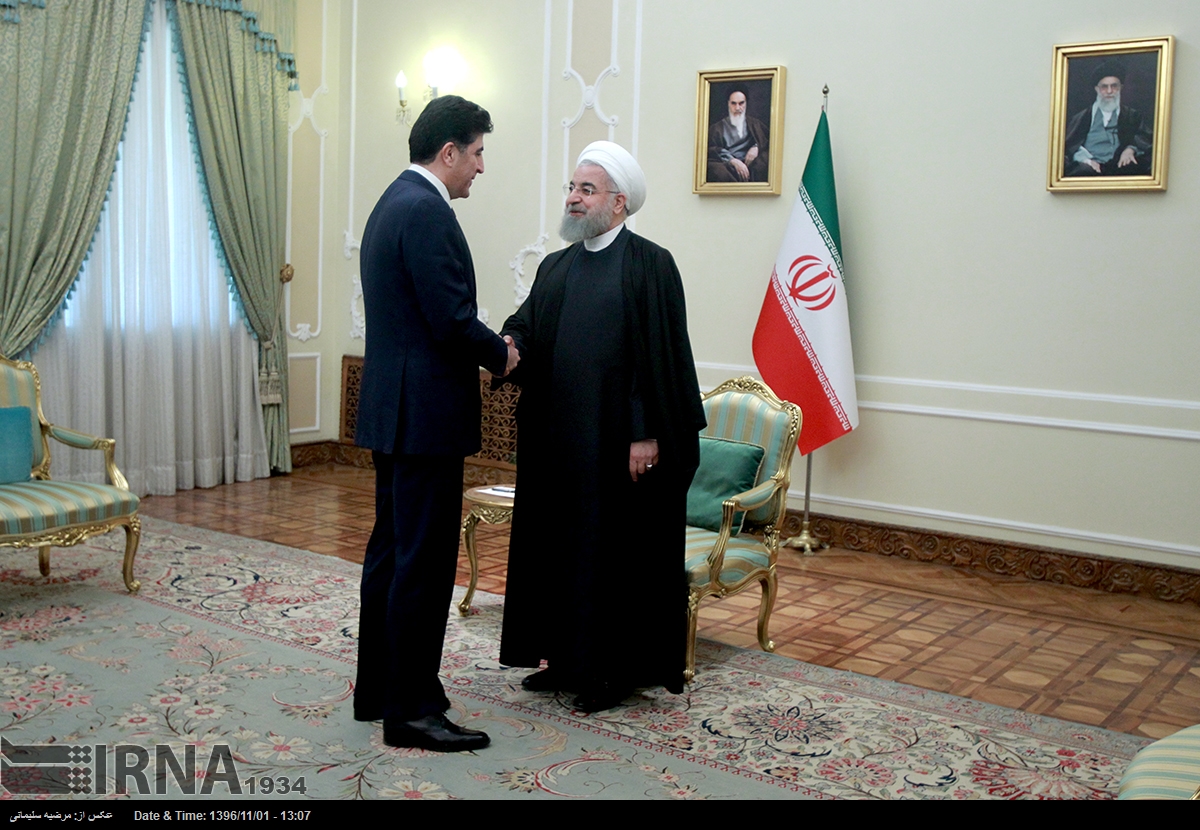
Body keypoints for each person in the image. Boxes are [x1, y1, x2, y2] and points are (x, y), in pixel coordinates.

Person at [498, 141, 706, 713]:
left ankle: (612, 672)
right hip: (558, 444)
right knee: (560, 551)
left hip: (619, 449)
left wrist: (646, 433)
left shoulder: (649, 264)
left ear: (618, 203)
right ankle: (564, 659)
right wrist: (510, 342)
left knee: (612, 557)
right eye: (572, 186)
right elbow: (530, 325)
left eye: (586, 190)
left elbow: (657, 359)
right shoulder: (556, 265)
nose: (572, 197)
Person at [353, 95, 519, 752]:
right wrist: (502, 354)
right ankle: (414, 712)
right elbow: (450, 318)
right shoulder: (427, 210)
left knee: (391, 555)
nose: (481, 168)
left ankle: (379, 691)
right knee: (421, 565)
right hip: (424, 418)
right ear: (448, 152)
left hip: (395, 412)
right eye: (477, 153)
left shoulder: (393, 201)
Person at [1064, 59, 1153, 176]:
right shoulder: (1082, 117)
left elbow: (1145, 139)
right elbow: (1070, 146)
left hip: (1120, 165)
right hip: (1090, 167)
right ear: (1097, 89)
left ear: (1121, 88)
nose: (1109, 91)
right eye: (1104, 87)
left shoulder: (1132, 115)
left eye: (1114, 86)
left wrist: (1130, 149)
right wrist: (1086, 160)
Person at [707, 87, 769, 183]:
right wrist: (733, 161)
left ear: (746, 103)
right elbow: (711, 149)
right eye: (733, 103)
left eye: (741, 103)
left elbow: (768, 141)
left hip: (752, 165)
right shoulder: (717, 128)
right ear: (728, 104)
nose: (737, 108)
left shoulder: (755, 124)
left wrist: (756, 147)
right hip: (728, 165)